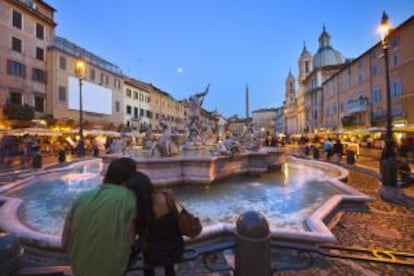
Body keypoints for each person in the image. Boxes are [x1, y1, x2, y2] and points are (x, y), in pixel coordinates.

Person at [61, 157, 138, 276]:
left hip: (79, 267)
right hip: (112, 268)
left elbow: (64, 241)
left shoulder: (82, 196)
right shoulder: (129, 198)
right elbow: (131, 240)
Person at [126, 171, 184, 276]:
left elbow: (131, 241)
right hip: (175, 249)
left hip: (151, 256)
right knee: (164, 249)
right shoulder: (167, 196)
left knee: (148, 251)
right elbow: (178, 219)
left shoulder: (135, 209)